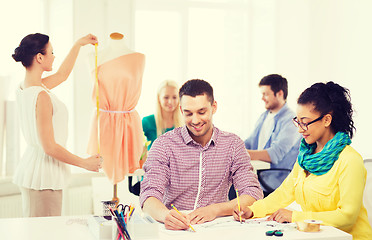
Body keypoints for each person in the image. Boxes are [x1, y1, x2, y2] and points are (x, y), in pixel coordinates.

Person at [233, 82, 372, 240]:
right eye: (297, 121)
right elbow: (284, 193)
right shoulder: (306, 156)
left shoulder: (350, 160)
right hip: (318, 236)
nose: (299, 129)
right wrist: (252, 210)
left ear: (326, 120)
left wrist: (295, 217)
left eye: (305, 123)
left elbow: (347, 218)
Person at [140, 79, 263, 230]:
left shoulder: (233, 144)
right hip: (174, 229)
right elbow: (148, 196)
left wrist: (215, 210)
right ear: (181, 110)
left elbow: (253, 193)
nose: (195, 120)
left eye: (201, 112)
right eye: (188, 113)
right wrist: (165, 215)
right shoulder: (163, 145)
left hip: (217, 228)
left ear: (214, 107)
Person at [12, 33, 102, 217]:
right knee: (45, 233)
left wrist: (78, 44)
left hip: (33, 171)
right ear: (39, 57)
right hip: (44, 177)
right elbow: (49, 147)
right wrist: (84, 163)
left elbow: (62, 75)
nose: (54, 56)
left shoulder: (25, 87)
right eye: (51, 52)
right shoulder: (41, 95)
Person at [87, 32, 145, 184]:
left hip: (129, 122)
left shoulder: (138, 58)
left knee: (130, 173)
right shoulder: (93, 56)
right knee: (104, 166)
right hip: (104, 122)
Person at [230, 74, 301, 198]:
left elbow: (275, 154)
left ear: (279, 94)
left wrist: (244, 153)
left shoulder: (291, 120)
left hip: (277, 177)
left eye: (266, 94)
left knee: (234, 189)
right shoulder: (264, 116)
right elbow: (250, 142)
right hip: (260, 173)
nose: (262, 98)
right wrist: (232, 147)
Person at [129, 80, 183, 195]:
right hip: (153, 177)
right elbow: (138, 151)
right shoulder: (147, 122)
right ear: (159, 98)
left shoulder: (183, 124)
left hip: (177, 180)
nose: (170, 102)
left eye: (174, 97)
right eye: (166, 97)